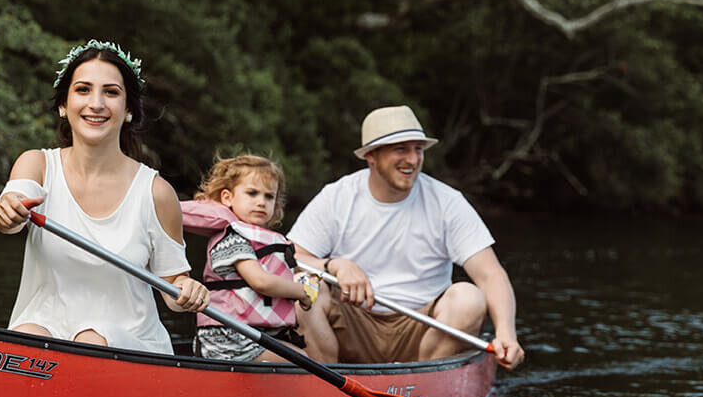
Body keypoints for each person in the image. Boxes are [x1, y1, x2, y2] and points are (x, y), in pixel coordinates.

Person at [0, 39, 208, 354]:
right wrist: (7, 213)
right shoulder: (36, 165)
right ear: (63, 106)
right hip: (44, 337)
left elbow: (175, 289)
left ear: (129, 110)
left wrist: (189, 289)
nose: (96, 103)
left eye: (111, 92)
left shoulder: (156, 192)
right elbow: (10, 216)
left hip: (130, 346)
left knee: (90, 339)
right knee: (27, 337)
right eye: (83, 90)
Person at [288, 105, 525, 368]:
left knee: (469, 298)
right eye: (401, 149)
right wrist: (334, 265)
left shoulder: (447, 202)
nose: (412, 160)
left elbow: (490, 275)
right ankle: (326, 382)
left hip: (424, 330)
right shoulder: (337, 196)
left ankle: (423, 383)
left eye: (418, 149)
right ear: (371, 156)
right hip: (351, 323)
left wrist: (506, 334)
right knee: (303, 285)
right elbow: (288, 258)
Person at [180, 155, 338, 363]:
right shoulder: (232, 238)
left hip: (252, 334)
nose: (261, 202)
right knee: (303, 364)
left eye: (269, 196)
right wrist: (303, 293)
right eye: (252, 193)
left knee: (306, 357)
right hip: (227, 338)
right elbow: (261, 282)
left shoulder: (260, 241)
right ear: (227, 198)